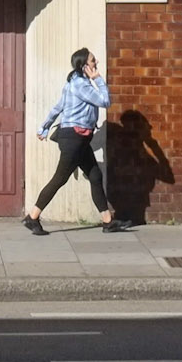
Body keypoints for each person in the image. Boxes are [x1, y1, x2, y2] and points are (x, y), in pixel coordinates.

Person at [25, 48, 129, 233]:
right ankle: (33, 217)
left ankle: (107, 221)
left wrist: (45, 126)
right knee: (60, 178)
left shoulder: (74, 83)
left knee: (95, 176)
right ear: (84, 66)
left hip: (79, 138)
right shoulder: (81, 85)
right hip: (74, 138)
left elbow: (59, 106)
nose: (95, 62)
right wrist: (98, 79)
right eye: (92, 60)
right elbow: (105, 101)